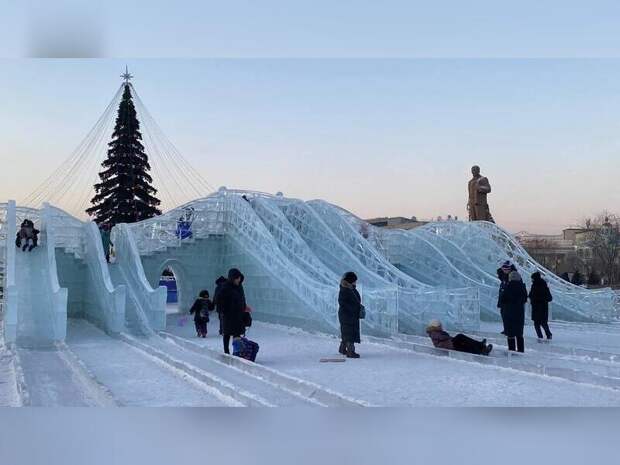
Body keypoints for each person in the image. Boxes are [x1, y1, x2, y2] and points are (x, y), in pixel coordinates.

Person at [215, 268, 247, 354]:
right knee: (227, 333)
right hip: (228, 315)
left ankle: (236, 352)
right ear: (232, 278)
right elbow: (219, 300)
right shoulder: (225, 287)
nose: (238, 280)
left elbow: (242, 298)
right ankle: (226, 351)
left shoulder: (239, 287)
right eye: (237, 278)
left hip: (238, 314)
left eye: (239, 278)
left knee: (237, 333)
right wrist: (223, 310)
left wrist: (244, 308)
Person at [426, 320, 493, 355]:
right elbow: (442, 337)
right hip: (448, 345)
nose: (441, 326)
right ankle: (481, 347)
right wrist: (451, 338)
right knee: (460, 337)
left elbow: (444, 337)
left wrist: (450, 338)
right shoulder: (433, 333)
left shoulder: (436, 332)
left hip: (450, 344)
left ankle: (482, 348)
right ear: (435, 326)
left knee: (465, 345)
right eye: (439, 325)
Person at [499, 270, 528, 352]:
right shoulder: (522, 287)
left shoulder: (508, 287)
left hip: (509, 312)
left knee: (511, 333)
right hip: (519, 312)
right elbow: (525, 299)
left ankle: (511, 350)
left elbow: (503, 299)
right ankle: (521, 350)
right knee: (519, 333)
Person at [338, 271, 364, 358]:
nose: (355, 282)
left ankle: (342, 348)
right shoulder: (345, 290)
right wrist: (353, 309)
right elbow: (342, 302)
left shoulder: (350, 288)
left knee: (347, 332)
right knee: (350, 333)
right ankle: (350, 351)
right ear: (350, 280)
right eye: (354, 280)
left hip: (349, 315)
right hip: (348, 315)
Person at [529, 272, 553, 341]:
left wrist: (534, 299)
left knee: (537, 323)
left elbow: (531, 295)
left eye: (532, 279)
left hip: (536, 307)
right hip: (543, 308)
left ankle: (540, 336)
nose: (532, 280)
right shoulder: (544, 286)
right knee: (543, 323)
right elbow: (549, 298)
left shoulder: (534, 286)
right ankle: (548, 334)